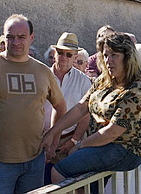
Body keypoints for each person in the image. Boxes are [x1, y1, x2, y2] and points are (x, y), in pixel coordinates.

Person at [42, 32, 141, 184]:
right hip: (101, 145)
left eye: (114, 55)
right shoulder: (105, 80)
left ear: (128, 58)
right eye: (106, 55)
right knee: (88, 184)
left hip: (124, 149)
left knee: (59, 171)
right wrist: (52, 133)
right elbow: (81, 108)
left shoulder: (138, 88)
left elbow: (113, 131)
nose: (109, 60)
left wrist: (79, 145)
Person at [0, 14, 67, 193]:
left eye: (21, 37)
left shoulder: (43, 71)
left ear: (31, 37)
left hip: (34, 161)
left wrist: (53, 136)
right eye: (10, 37)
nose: (15, 42)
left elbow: (60, 107)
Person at [43, 32, 92, 184]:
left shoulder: (83, 81)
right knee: (40, 184)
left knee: (66, 184)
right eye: (60, 52)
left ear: (76, 56)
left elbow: (85, 115)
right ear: (54, 53)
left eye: (68, 54)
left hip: (67, 141)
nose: (63, 57)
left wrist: (74, 140)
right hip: (40, 139)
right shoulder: (42, 75)